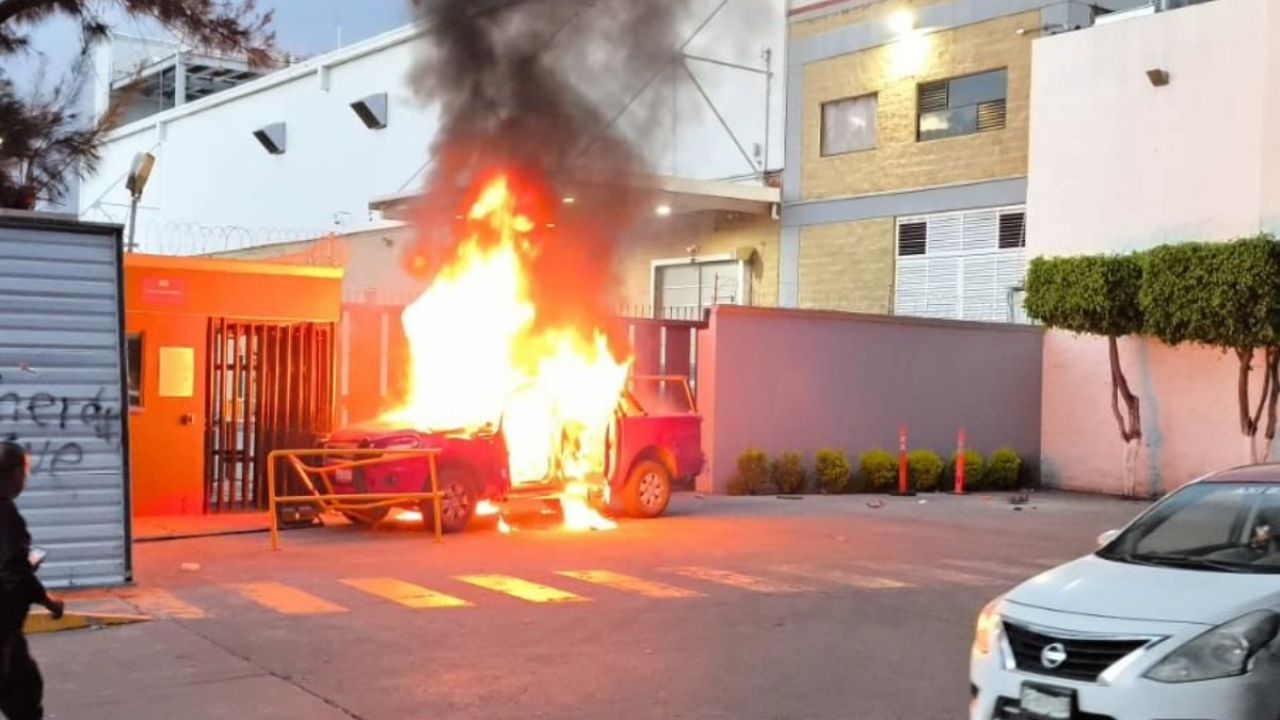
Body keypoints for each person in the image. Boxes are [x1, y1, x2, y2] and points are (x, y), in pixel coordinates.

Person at [0, 442, 63, 720]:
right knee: (24, 698)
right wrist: (48, 601)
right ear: (15, 475)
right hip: (3, 635)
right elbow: (14, 574)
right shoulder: (7, 517)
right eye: (25, 471)